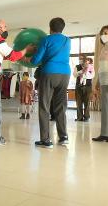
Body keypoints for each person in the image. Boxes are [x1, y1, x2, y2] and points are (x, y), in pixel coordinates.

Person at [30, 17, 71, 148]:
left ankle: (46, 140)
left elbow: (35, 60)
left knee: (44, 106)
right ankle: (63, 136)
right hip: (65, 74)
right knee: (60, 106)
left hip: (49, 73)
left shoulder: (46, 39)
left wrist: (32, 53)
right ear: (62, 28)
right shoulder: (67, 40)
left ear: (50, 28)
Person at [73, 55, 94, 122]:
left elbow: (92, 75)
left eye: (82, 59)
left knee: (87, 102)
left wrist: (85, 72)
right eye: (79, 59)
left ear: (85, 60)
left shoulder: (91, 67)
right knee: (78, 102)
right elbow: (75, 74)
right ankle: (79, 117)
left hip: (88, 86)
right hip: (78, 86)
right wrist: (82, 71)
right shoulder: (77, 66)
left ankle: (86, 117)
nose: (80, 60)